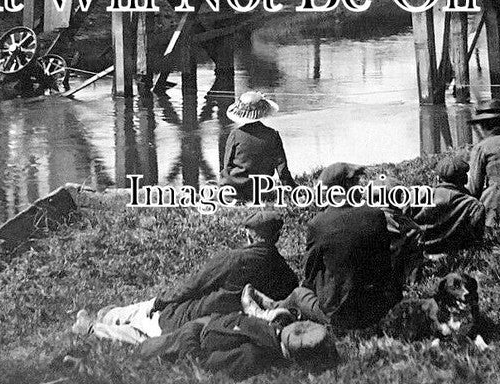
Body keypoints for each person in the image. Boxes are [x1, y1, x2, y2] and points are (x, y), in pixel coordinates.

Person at [83, 210, 298, 345]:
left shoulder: (233, 259)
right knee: (134, 317)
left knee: (141, 324)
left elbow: (191, 286)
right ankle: (108, 315)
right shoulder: (287, 275)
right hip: (229, 327)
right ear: (277, 236)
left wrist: (158, 301)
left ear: (249, 235)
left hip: (188, 319)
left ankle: (93, 326)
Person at [301, 162, 396, 330]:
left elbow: (309, 275)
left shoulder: (318, 224)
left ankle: (271, 315)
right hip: (378, 307)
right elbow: (385, 261)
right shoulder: (376, 214)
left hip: (341, 315)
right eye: (356, 183)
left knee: (297, 295)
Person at [134, 310, 337, 380]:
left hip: (185, 335)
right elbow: (203, 362)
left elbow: (201, 362)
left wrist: (194, 327)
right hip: (189, 332)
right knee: (130, 324)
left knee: (129, 325)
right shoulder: (262, 348)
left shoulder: (260, 347)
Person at [221, 91, 295, 201]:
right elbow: (282, 169)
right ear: (262, 112)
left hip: (236, 191)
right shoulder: (273, 135)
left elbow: (227, 165)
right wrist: (292, 189)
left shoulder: (235, 135)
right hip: (262, 191)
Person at [408, 155, 489, 255]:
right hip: (455, 260)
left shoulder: (418, 195)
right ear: (465, 179)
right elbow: (475, 241)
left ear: (438, 178)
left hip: (418, 257)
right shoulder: (473, 205)